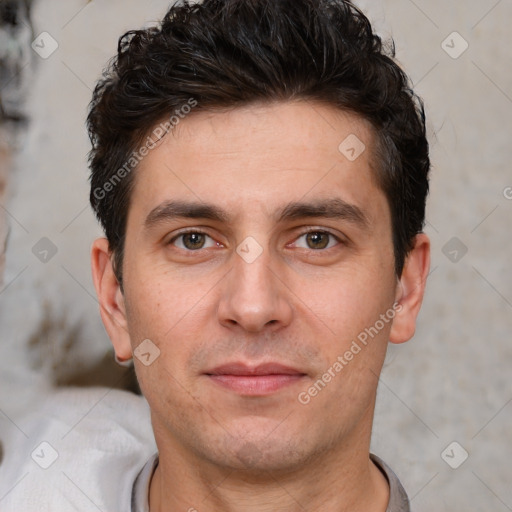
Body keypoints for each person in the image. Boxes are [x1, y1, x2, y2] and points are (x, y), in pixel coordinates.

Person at [1, 0, 431, 510]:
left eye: (317, 238)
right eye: (193, 240)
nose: (253, 308)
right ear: (114, 297)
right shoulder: (33, 473)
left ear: (405, 288)